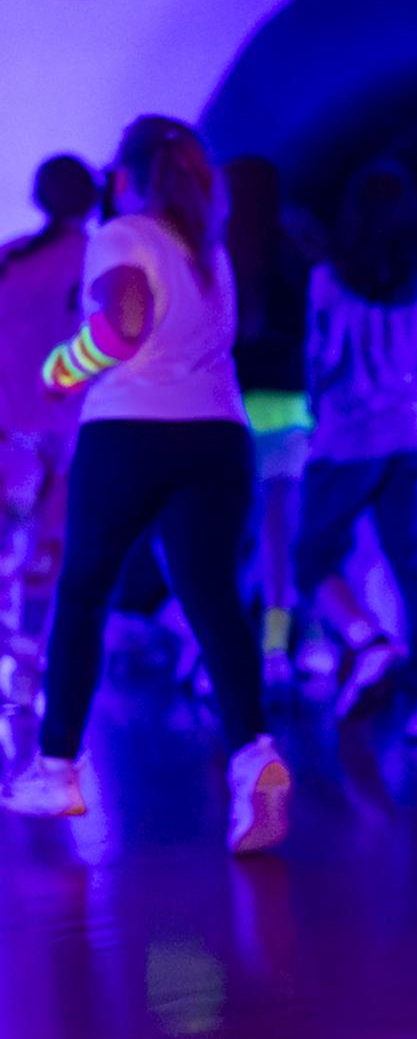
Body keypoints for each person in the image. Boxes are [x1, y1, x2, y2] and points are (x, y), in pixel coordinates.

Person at [1, 117, 292, 851]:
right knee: (214, 599)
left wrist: (60, 370)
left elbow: (122, 325)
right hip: (218, 436)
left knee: (84, 589)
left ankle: (58, 767)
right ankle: (254, 753)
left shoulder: (124, 233)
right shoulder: (208, 250)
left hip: (132, 431)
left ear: (124, 177)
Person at [293, 163, 417, 733]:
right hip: (410, 435)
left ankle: (366, 640)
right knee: (415, 566)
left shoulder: (328, 278)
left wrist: (322, 409)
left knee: (313, 556)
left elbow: (321, 361)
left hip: (346, 437)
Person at [0, 157, 95, 707]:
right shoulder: (91, 260)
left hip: (8, 428)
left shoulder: (12, 256)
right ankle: (29, 653)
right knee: (46, 545)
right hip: (61, 428)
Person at [224, 155, 318, 691]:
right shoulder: (298, 251)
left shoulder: (215, 253)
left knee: (226, 538)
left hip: (230, 411)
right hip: (289, 408)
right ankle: (276, 646)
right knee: (281, 534)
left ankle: (216, 646)